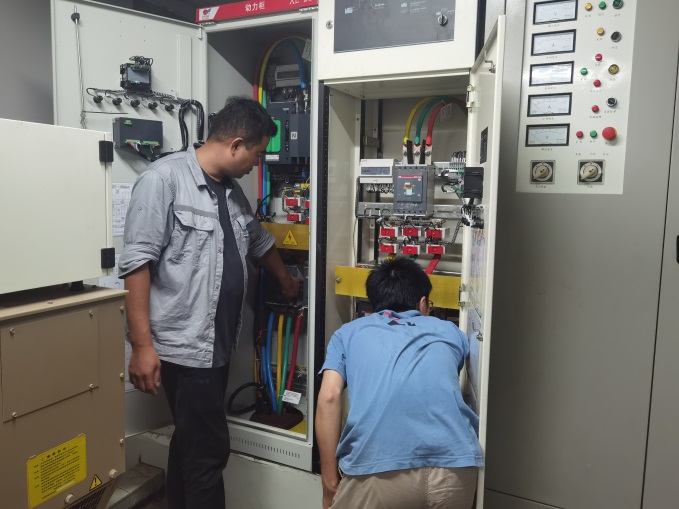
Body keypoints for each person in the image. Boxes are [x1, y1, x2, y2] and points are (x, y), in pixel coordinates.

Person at [118, 96, 300, 509]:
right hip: (185, 346)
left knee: (191, 440)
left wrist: (286, 280)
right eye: (256, 154)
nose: (256, 164)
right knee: (208, 452)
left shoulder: (231, 192)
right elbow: (136, 265)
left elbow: (259, 241)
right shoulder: (163, 180)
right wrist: (142, 346)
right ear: (236, 145)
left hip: (217, 345)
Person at [316, 257, 483, 509]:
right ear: (423, 303)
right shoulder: (451, 332)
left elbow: (329, 397)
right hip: (455, 467)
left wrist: (329, 484)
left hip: (377, 469)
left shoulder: (347, 333)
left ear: (374, 303)